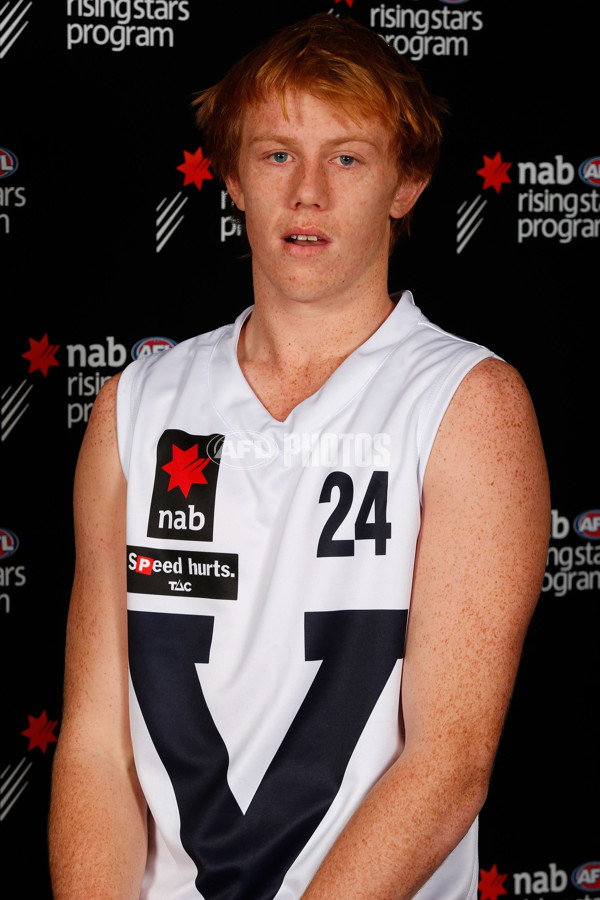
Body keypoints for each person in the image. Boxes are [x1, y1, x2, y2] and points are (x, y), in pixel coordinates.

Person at [48, 13, 550, 900]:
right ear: (233, 177)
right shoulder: (136, 407)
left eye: (347, 157)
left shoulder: (470, 404)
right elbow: (95, 744)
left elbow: (450, 763)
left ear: (409, 182)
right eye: (277, 154)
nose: (308, 192)